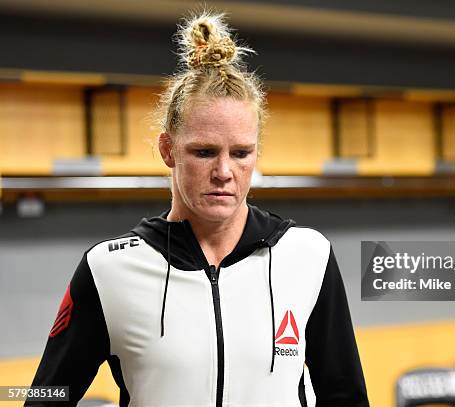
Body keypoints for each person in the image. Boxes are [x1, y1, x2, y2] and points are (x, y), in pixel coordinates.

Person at [27, 9, 369, 407]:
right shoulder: (108, 270)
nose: (224, 171)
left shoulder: (308, 255)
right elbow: (45, 396)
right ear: (168, 150)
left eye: (241, 153)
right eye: (204, 152)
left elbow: (345, 395)